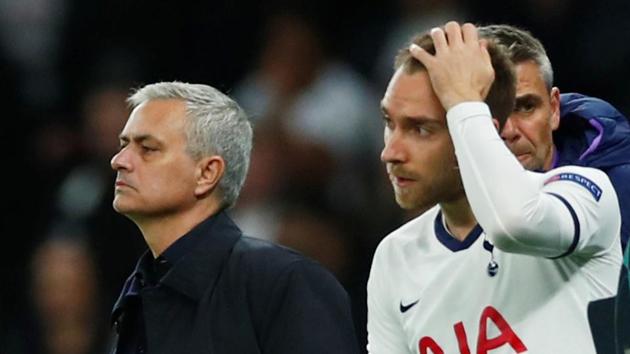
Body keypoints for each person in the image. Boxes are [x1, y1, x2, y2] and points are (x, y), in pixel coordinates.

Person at [367, 22, 622, 354]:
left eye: (421, 129)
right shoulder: (394, 257)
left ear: (474, 129)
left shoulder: (582, 194)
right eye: (390, 123)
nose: (391, 152)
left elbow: (513, 223)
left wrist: (462, 100)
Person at [107, 82, 358, 354]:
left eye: (148, 148)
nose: (119, 160)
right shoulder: (137, 294)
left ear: (207, 174)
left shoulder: (285, 282)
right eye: (124, 144)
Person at [477, 24, 630, 251]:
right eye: (489, 111)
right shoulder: (442, 207)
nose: (509, 131)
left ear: (554, 108)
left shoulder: (621, 188)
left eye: (526, 107)